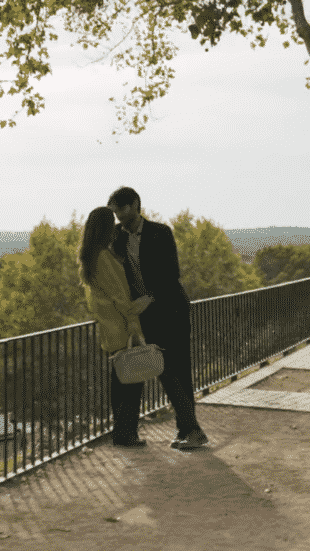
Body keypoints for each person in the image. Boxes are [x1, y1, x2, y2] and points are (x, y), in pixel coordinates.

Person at [107, 187, 209, 450]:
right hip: (143, 317)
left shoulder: (160, 232)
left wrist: (149, 298)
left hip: (170, 311)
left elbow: (171, 273)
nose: (118, 216)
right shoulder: (116, 237)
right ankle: (130, 431)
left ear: (135, 206)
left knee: (176, 371)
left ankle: (190, 430)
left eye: (121, 209)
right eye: (115, 211)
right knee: (142, 368)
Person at [78, 207, 153, 448]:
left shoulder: (91, 257)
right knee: (131, 384)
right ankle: (126, 434)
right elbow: (119, 296)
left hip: (110, 329)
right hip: (121, 327)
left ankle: (122, 432)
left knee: (121, 382)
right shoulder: (103, 257)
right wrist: (133, 319)